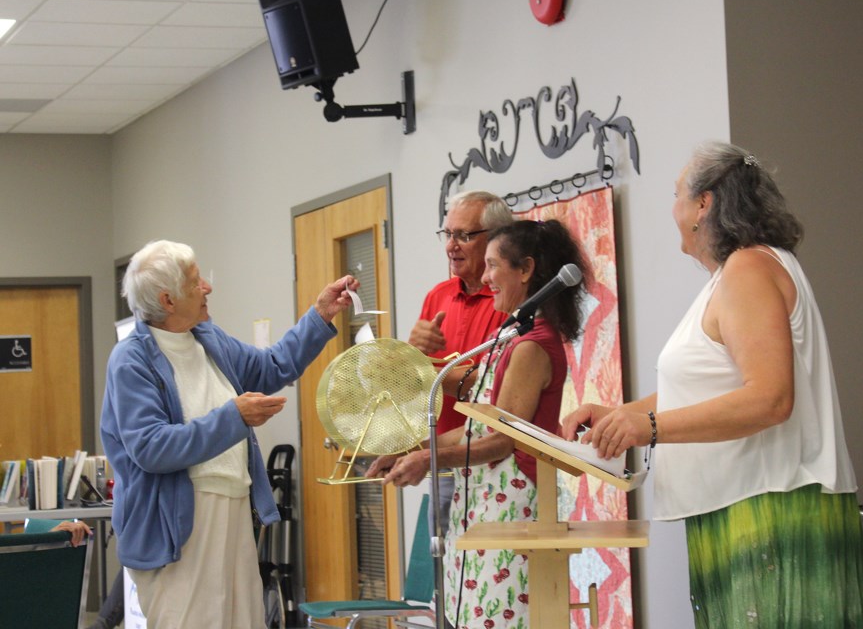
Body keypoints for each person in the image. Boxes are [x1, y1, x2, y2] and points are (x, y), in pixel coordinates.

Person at [561, 141, 863, 628]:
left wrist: (649, 426)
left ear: (703, 204)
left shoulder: (749, 269)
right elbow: (712, 389)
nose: (672, 209)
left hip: (768, 512)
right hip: (743, 504)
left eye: (675, 195)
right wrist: (620, 415)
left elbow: (770, 399)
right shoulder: (738, 272)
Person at [100, 239, 356, 629]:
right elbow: (151, 448)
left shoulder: (208, 338)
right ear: (168, 300)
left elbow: (272, 366)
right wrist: (233, 417)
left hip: (234, 508)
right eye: (195, 280)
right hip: (179, 529)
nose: (207, 287)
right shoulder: (130, 360)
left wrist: (320, 315)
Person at [368, 219, 589, 629]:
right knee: (468, 614)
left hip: (514, 505)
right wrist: (409, 450)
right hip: (483, 503)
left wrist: (429, 461)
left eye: (492, 266)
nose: (486, 279)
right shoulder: (510, 338)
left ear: (525, 270)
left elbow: (501, 442)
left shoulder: (532, 345)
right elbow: (477, 427)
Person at [407, 190, 512, 532]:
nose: (452, 245)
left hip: (496, 460)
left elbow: (488, 387)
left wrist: (422, 370)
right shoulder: (437, 296)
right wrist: (412, 354)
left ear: (496, 240)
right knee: (446, 573)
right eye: (448, 234)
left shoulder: (509, 300)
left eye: (464, 235)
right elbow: (414, 385)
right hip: (443, 456)